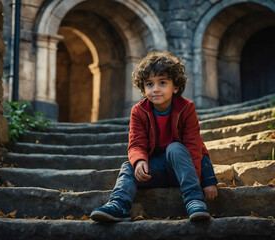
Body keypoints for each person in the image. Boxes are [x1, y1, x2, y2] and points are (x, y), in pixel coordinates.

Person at [90, 51, 218, 222]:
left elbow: (195, 147)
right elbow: (136, 143)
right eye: (149, 84)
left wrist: (207, 180)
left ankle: (194, 200)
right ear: (144, 88)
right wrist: (140, 161)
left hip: (182, 169)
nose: (155, 89)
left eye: (163, 82)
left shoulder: (186, 108)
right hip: (154, 172)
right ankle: (118, 205)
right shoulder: (139, 111)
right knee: (129, 166)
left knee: (175, 147)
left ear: (176, 87)